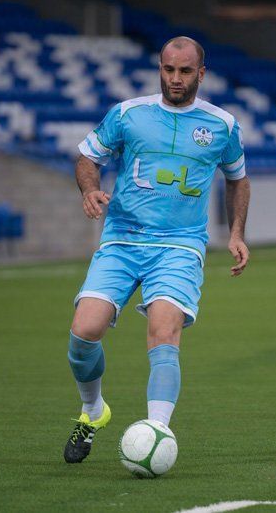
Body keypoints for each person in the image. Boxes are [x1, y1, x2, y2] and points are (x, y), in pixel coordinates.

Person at [63, 36, 251, 463]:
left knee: (164, 332)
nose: (176, 79)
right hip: (122, 240)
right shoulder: (128, 114)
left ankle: (156, 434)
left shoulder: (222, 125)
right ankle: (93, 411)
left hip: (180, 246)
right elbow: (87, 158)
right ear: (160, 69)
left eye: (185, 71)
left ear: (201, 73)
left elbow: (238, 179)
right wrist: (90, 190)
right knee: (83, 333)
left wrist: (236, 233)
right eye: (168, 69)